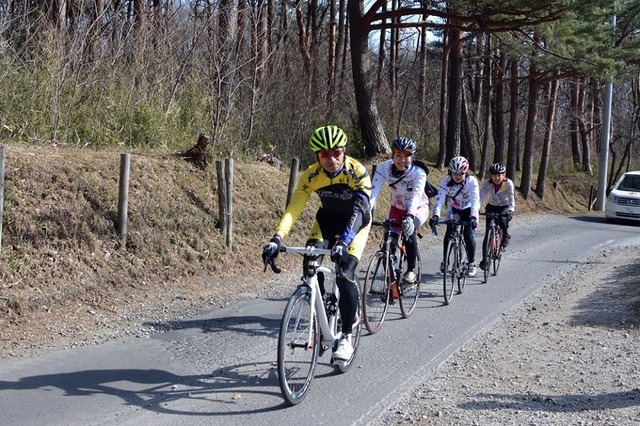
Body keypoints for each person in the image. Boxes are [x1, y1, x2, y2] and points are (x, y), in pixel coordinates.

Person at [262, 125, 372, 362]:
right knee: (310, 264)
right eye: (324, 155)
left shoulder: (357, 171)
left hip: (356, 224)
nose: (331, 159)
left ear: (344, 151)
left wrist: (344, 241)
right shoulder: (311, 175)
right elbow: (295, 207)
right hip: (326, 222)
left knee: (344, 273)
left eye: (336, 153)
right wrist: (277, 237)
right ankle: (319, 313)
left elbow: (361, 209)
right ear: (316, 156)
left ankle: (345, 334)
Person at [369, 136, 429, 284]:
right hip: (396, 209)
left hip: (418, 208)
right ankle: (392, 281)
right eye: (398, 155)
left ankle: (410, 270)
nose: (402, 160)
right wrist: (366, 210)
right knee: (388, 244)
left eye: (406, 156)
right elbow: (373, 191)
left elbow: (416, 195)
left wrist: (410, 216)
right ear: (393, 155)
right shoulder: (385, 168)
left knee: (409, 232)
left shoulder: (419, 172)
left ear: (412, 157)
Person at [429, 156, 480, 277]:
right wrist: (435, 215)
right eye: (454, 173)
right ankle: (445, 261)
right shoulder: (445, 181)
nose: (457, 176)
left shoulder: (471, 182)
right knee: (450, 231)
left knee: (468, 235)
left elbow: (475, 201)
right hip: (455, 209)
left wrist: (474, 217)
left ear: (465, 172)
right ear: (450, 173)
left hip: (468, 209)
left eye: (461, 174)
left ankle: (472, 263)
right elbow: (439, 200)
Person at [478, 162, 515, 271]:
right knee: (487, 232)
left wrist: (511, 211)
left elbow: (511, 197)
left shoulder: (508, 183)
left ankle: (506, 237)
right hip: (492, 206)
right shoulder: (487, 183)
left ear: (504, 175)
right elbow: (482, 196)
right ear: (491, 175)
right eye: (494, 175)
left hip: (504, 206)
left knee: (503, 220)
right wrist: (477, 208)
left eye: (499, 175)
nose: (497, 178)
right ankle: (485, 259)